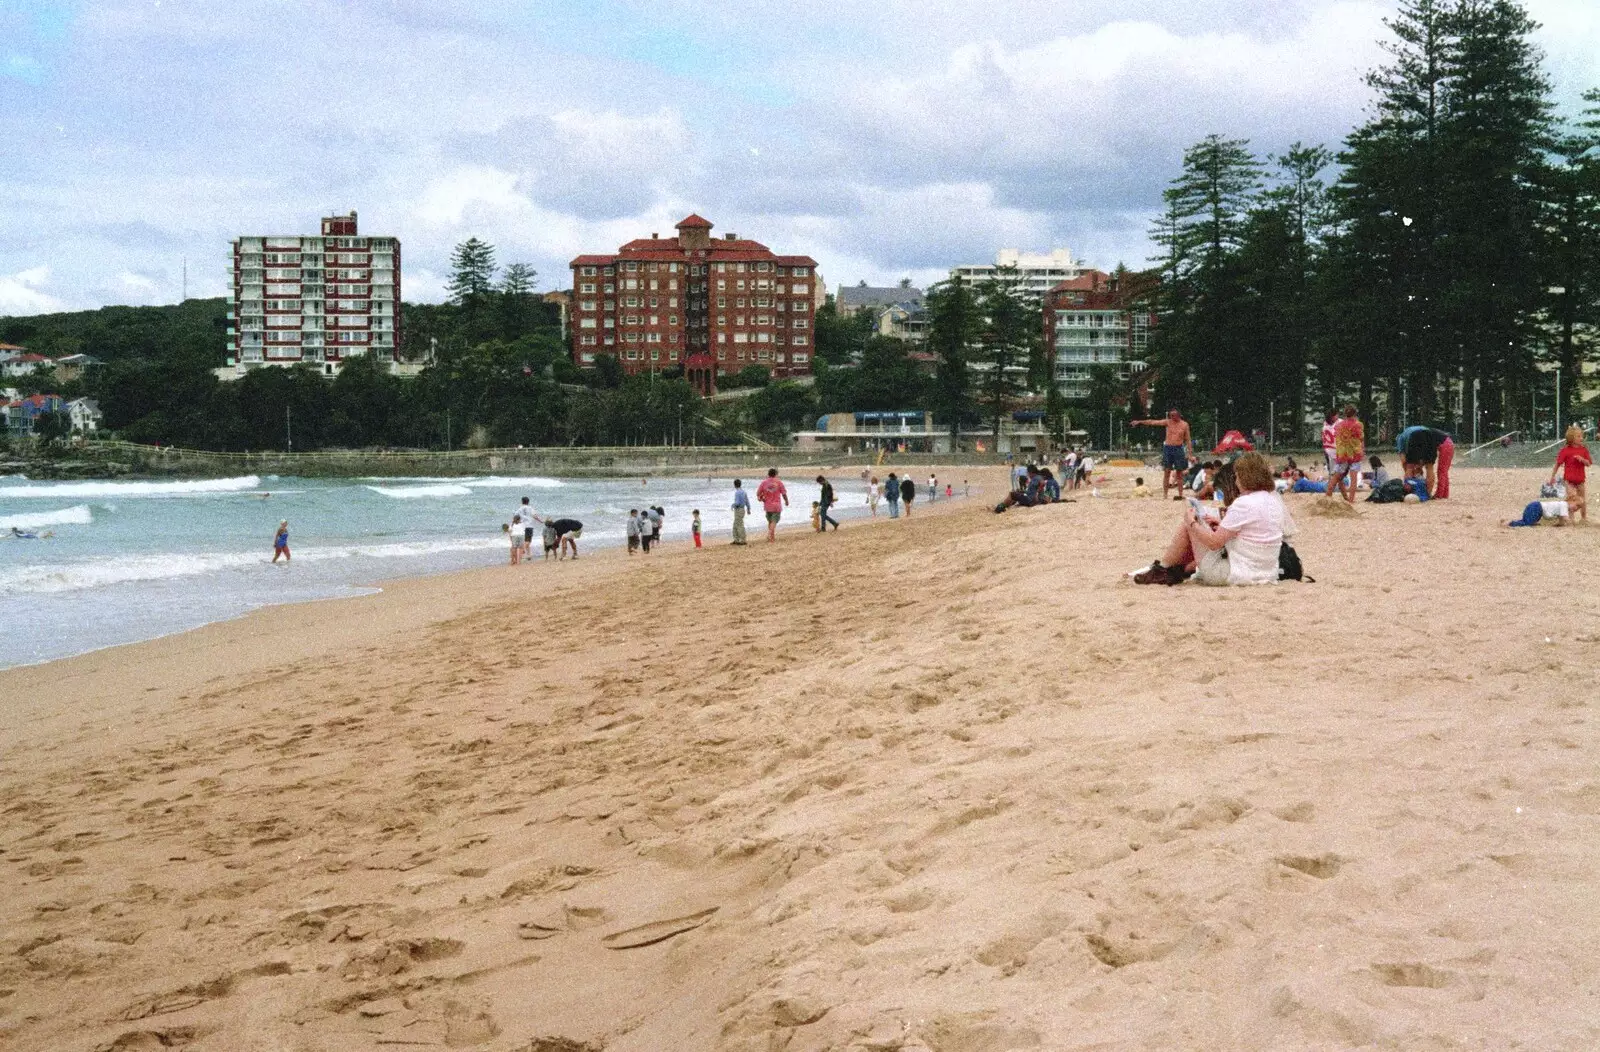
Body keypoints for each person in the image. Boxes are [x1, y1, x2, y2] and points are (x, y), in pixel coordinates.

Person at [1135, 454, 1294, 586]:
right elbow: (1255, 533)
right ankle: (1168, 570)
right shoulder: (1273, 500)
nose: (1236, 481)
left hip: (1231, 574)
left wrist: (1192, 523)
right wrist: (1220, 526)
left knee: (1191, 520)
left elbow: (1214, 543)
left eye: (1238, 476)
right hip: (1267, 572)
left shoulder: (1243, 503)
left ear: (1245, 477)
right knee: (1201, 525)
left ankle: (1163, 568)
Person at [1131, 409, 1194, 499]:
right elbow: (1153, 422)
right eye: (1170, 415)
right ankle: (1165, 495)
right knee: (1167, 472)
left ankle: (1180, 495)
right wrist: (1140, 421)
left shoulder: (1184, 424)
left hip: (1178, 448)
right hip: (1168, 448)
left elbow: (1188, 439)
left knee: (1179, 473)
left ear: (1178, 415)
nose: (1171, 417)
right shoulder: (1168, 422)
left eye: (1173, 415)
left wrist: (1190, 453)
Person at [1397, 425, 1455, 499]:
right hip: (1430, 438)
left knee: (1409, 467)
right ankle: (1428, 494)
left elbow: (1404, 460)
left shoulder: (1400, 438)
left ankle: (1408, 492)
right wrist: (1419, 468)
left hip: (1415, 436)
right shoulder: (1426, 430)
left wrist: (1410, 473)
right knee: (1430, 468)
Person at [1551, 425, 1592, 523]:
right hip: (1569, 481)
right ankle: (1571, 518)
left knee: (1582, 500)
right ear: (1571, 438)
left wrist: (1582, 460)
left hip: (1581, 480)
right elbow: (1557, 464)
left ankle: (1583, 518)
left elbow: (1589, 463)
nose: (1581, 438)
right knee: (1572, 498)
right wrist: (1552, 477)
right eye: (1578, 436)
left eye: (1582, 436)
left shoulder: (1583, 450)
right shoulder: (1565, 450)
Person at [1329, 404, 1365, 504]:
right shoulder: (1358, 424)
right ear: (1355, 413)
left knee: (1336, 477)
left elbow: (1337, 439)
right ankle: (1351, 500)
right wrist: (1362, 450)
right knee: (1353, 478)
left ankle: (1328, 495)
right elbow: (1361, 439)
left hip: (1342, 454)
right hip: (1354, 454)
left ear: (1345, 414)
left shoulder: (1338, 425)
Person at [756, 468, 789, 541]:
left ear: (768, 474)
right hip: (776, 506)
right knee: (774, 521)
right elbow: (784, 493)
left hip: (767, 506)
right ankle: (770, 535)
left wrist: (761, 498)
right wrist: (786, 501)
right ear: (775, 474)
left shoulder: (764, 482)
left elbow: (758, 493)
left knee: (770, 521)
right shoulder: (779, 482)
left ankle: (772, 537)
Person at [731, 479, 750, 545]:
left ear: (735, 485)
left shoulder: (737, 493)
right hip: (743, 509)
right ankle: (736, 539)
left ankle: (742, 540)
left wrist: (732, 505)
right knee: (736, 524)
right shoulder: (744, 492)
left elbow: (737, 503)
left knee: (739, 525)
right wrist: (748, 509)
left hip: (738, 509)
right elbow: (747, 501)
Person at [1320, 410, 1339, 477]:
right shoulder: (1338, 422)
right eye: (1336, 415)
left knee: (1334, 468)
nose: (1338, 416)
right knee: (1333, 468)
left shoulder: (1326, 424)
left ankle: (1333, 480)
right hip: (1332, 448)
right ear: (1333, 417)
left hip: (1329, 448)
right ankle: (1333, 481)